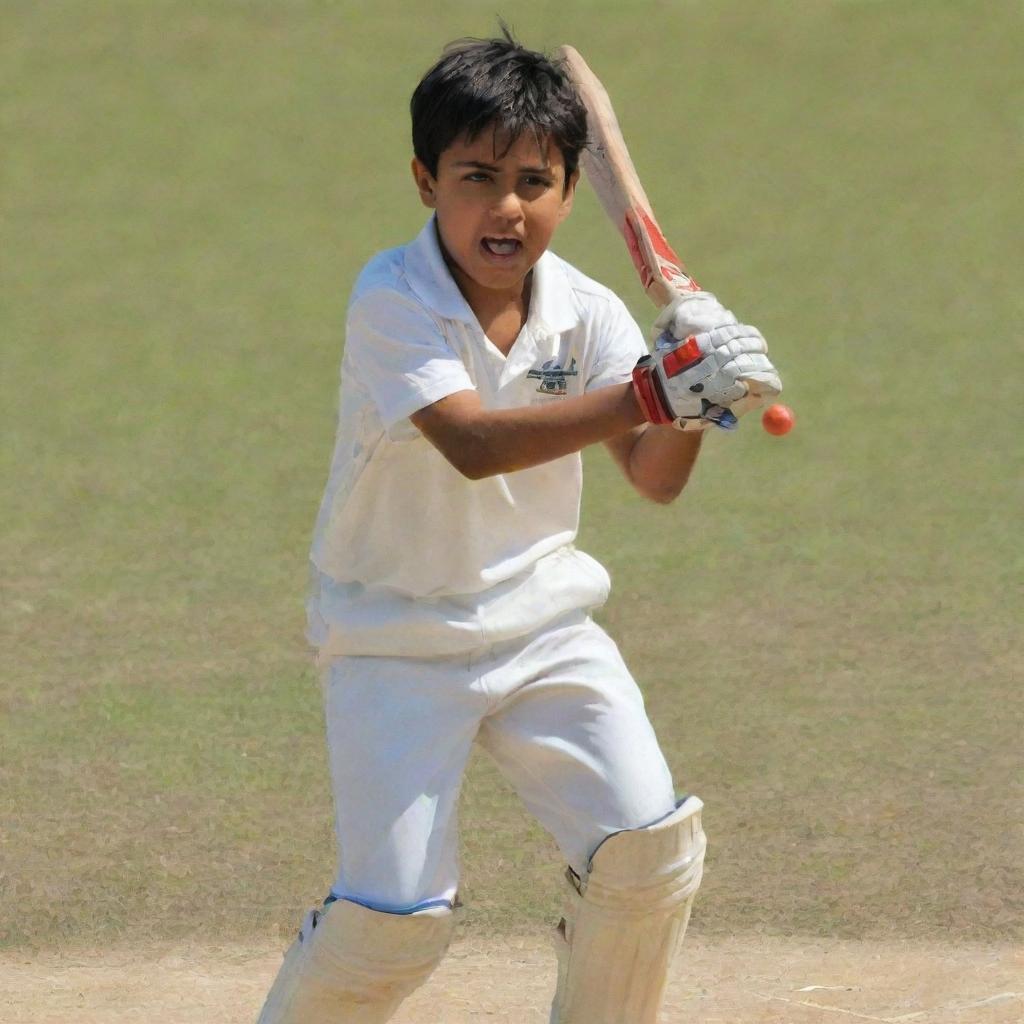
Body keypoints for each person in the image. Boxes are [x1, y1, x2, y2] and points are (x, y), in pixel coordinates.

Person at [256, 29, 781, 1024]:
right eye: (477, 176)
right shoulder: (391, 297)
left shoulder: (584, 312)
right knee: (391, 924)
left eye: (534, 180)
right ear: (425, 181)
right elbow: (472, 441)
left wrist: (693, 402)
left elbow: (652, 478)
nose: (507, 206)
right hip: (391, 637)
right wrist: (650, 392)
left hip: (542, 622)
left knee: (647, 853)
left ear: (570, 192)